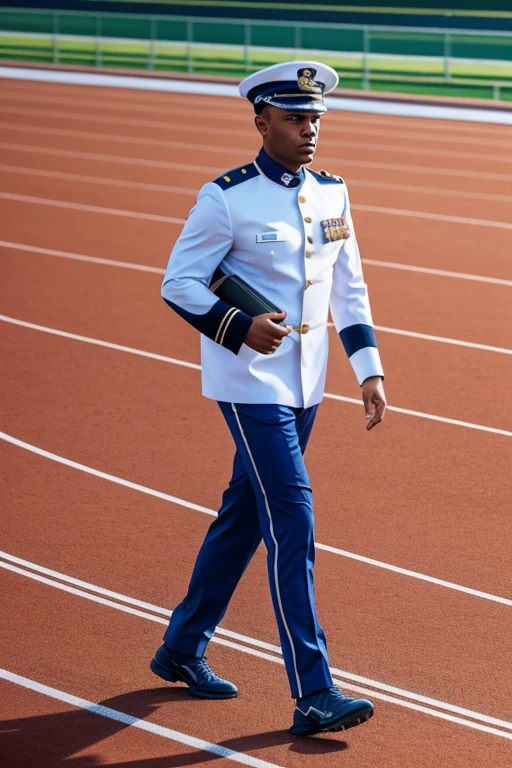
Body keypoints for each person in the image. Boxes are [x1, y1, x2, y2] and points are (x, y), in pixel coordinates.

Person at [152, 60, 386, 737]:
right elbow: (180, 281)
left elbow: (350, 287)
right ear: (261, 121)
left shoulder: (333, 194)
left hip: (305, 382)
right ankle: (314, 690)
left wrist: (367, 367)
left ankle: (181, 646)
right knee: (293, 513)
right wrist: (239, 328)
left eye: (314, 118)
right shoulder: (226, 198)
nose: (308, 129)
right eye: (293, 118)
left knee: (245, 515)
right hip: (250, 381)